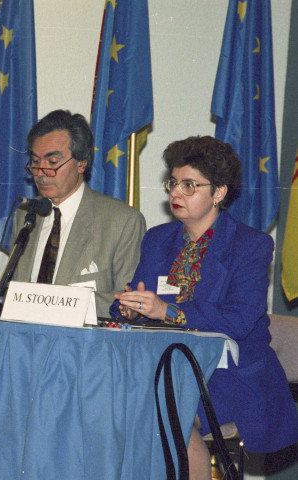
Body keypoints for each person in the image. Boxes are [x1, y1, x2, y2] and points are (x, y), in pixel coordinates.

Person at [113, 136, 298, 479]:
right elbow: (132, 299)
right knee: (111, 400)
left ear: (219, 193)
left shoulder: (251, 245)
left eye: (189, 185)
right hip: (161, 362)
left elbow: (240, 320)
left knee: (166, 411)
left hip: (228, 371)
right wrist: (130, 309)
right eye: (173, 183)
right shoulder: (157, 239)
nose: (176, 194)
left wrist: (168, 311)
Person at [7, 109, 145, 317]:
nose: (41, 172)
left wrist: (59, 303)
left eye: (52, 162)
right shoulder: (25, 214)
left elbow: (127, 301)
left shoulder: (122, 221)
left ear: (81, 163)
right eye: (35, 162)